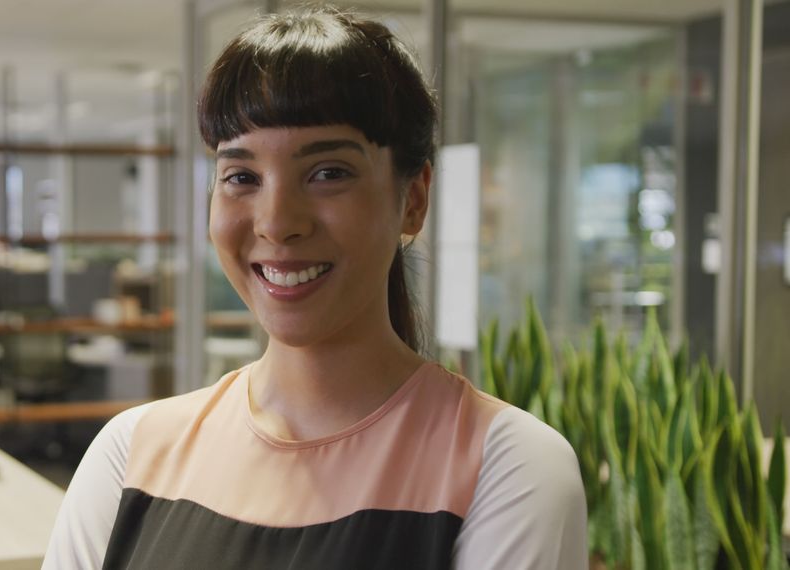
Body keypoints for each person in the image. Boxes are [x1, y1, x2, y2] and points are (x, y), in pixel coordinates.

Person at [43, 7, 586, 569]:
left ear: (414, 199)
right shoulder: (133, 452)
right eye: (242, 177)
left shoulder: (504, 467)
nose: (277, 222)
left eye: (329, 172)